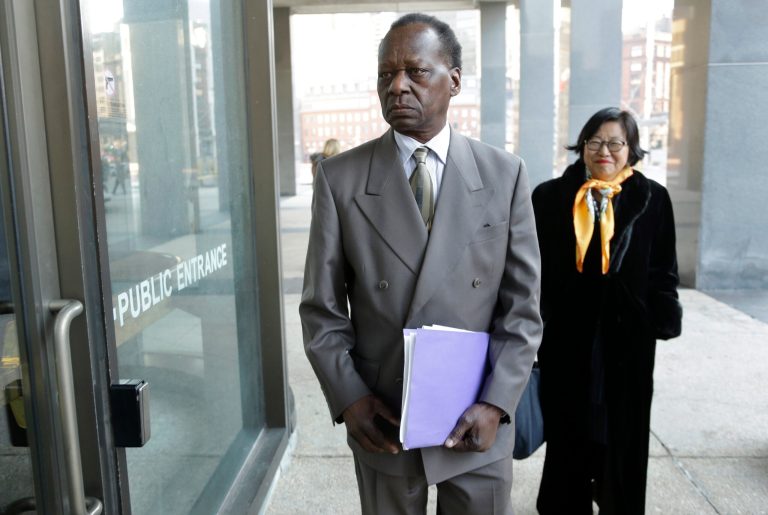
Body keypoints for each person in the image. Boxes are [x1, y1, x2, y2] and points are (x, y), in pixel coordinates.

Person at [299, 13, 542, 515]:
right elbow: (322, 310)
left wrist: (497, 402)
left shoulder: (505, 174)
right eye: (386, 74)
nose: (397, 86)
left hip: (477, 418)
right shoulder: (340, 179)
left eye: (416, 71)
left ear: (454, 80)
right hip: (383, 417)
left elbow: (523, 309)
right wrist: (349, 399)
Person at [532, 107, 682, 514]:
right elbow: (532, 270)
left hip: (628, 340)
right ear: (582, 146)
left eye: (615, 143)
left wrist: (659, 315)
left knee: (623, 432)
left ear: (631, 149)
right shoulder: (549, 197)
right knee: (568, 429)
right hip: (567, 337)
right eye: (595, 141)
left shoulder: (653, 198)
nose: (605, 151)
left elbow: (664, 269)